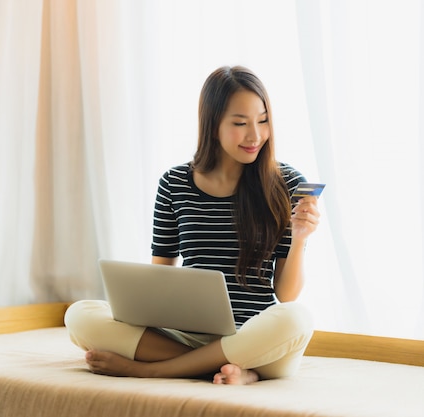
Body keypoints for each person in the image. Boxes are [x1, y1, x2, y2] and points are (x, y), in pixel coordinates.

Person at [64, 65, 320, 385]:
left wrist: (299, 238)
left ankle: (155, 368)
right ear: (212, 125)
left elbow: (287, 294)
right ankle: (230, 369)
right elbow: (159, 278)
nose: (256, 135)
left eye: (263, 120)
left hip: (256, 338)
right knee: (80, 316)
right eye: (240, 123)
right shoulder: (174, 184)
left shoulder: (288, 184)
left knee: (297, 320)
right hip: (185, 337)